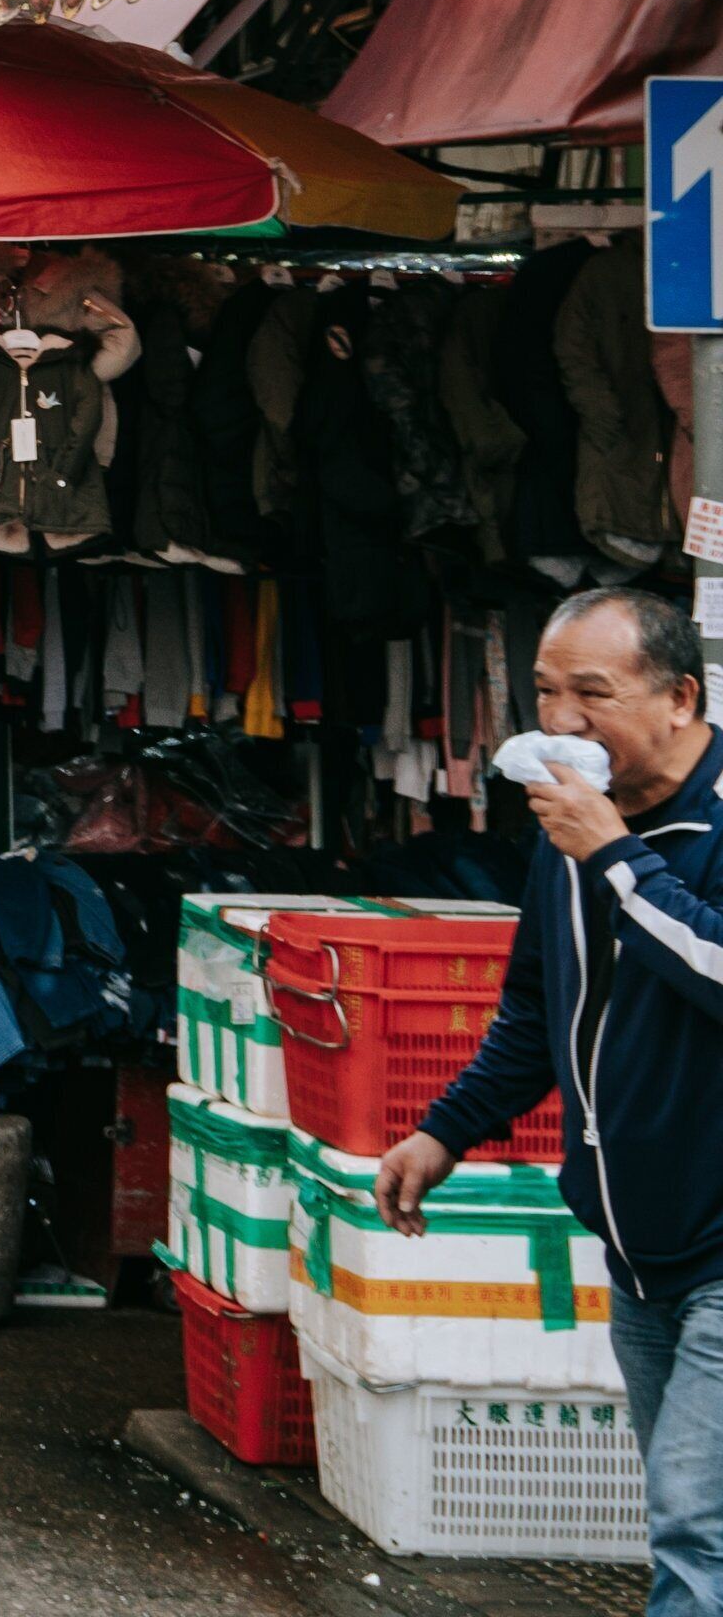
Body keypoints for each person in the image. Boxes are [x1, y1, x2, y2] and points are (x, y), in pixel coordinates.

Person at [379, 587, 723, 1617]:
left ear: (680, 699)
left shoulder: (617, 834)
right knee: (691, 1517)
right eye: (543, 692)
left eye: (592, 693)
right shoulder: (571, 823)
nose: (559, 720)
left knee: (694, 1522)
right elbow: (536, 1005)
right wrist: (446, 1129)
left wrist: (617, 857)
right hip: (640, 1244)